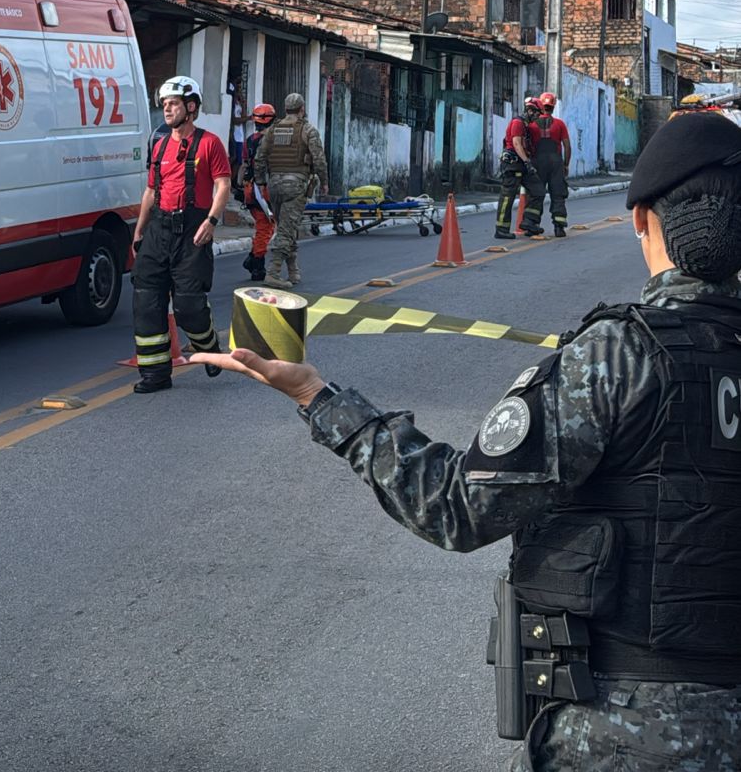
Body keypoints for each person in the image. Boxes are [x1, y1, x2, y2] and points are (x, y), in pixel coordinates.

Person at [193, 110, 741, 769]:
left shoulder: (619, 355)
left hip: (622, 735)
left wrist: (317, 397)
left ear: (641, 220)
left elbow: (456, 507)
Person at [130, 75, 232, 393]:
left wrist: (211, 221)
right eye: (164, 104)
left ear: (191, 107)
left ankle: (210, 349)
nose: (167, 109)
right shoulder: (160, 145)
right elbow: (151, 191)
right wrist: (139, 231)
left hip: (192, 231)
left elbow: (223, 184)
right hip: (158, 230)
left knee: (188, 305)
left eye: (173, 104)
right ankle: (155, 375)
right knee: (146, 300)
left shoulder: (210, 143)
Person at [254, 91, 328, 286]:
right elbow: (319, 159)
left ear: (286, 109)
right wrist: (324, 182)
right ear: (302, 109)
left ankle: (294, 271)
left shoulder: (272, 130)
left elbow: (259, 158)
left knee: (287, 227)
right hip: (295, 187)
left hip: (274, 186)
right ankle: (273, 273)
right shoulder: (308, 130)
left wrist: (261, 182)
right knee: (286, 231)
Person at [494, 98, 544, 240]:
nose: (538, 117)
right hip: (513, 164)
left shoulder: (526, 126)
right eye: (537, 113)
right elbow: (516, 144)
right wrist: (527, 162)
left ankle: (529, 221)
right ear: (530, 110)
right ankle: (501, 229)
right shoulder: (518, 123)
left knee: (538, 190)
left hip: (522, 164)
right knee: (507, 196)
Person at [239, 102, 277, 283]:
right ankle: (256, 264)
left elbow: (244, 165)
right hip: (264, 190)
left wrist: (239, 187)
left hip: (250, 189)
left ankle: (252, 259)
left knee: (263, 226)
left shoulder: (249, 141)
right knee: (265, 228)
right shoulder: (273, 142)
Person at [533, 91, 571, 238]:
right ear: (553, 106)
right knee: (558, 194)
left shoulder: (532, 124)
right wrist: (566, 165)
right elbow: (567, 146)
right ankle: (559, 227)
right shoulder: (559, 124)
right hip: (556, 162)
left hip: (538, 162)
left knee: (536, 193)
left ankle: (532, 225)